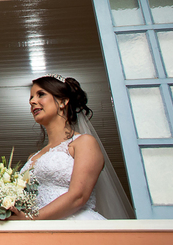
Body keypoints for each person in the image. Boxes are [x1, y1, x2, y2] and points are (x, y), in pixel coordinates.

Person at [10, 75, 132, 221]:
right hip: (38, 227)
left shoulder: (84, 143)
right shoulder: (33, 157)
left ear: (63, 101)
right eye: (31, 98)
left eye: (40, 94)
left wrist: (30, 219)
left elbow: (78, 196)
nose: (32, 101)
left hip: (74, 224)